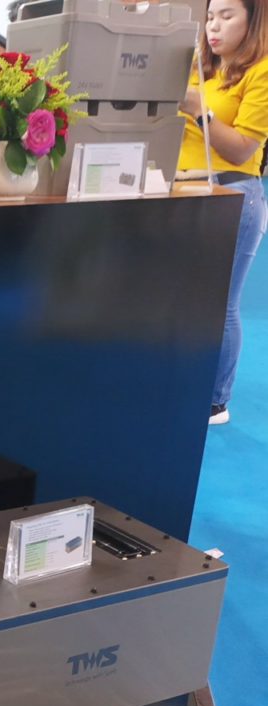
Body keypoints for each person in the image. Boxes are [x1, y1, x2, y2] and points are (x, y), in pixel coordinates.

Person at [177, 0, 268, 425]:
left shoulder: (261, 71)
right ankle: (182, 380)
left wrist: (200, 111)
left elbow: (243, 149)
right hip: (182, 190)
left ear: (253, 20)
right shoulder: (199, 68)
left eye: (227, 16)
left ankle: (216, 401)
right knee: (182, 297)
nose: (214, 26)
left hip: (234, 194)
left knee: (221, 304)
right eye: (211, 16)